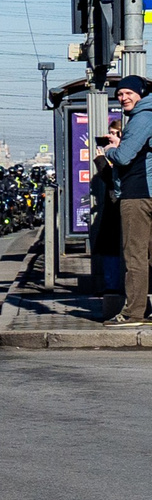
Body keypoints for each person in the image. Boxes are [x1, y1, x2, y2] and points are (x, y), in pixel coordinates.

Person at [104, 74, 152, 327]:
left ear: (140, 94)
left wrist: (110, 150)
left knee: (135, 257)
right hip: (146, 191)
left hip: (138, 193)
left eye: (128, 93)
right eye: (120, 94)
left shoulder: (142, 116)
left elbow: (123, 157)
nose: (123, 98)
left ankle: (134, 313)